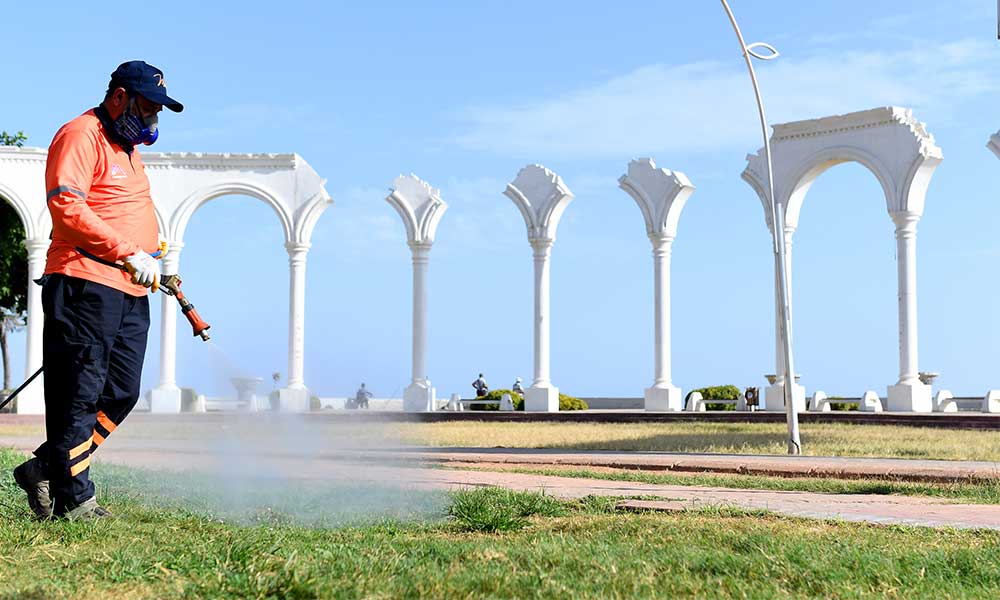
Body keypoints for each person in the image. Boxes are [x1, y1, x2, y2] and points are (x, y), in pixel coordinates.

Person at [12, 61, 183, 521]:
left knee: (123, 391)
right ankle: (76, 499)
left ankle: (46, 468)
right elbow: (67, 207)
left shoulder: (127, 146)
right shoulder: (81, 134)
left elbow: (120, 206)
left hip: (130, 286)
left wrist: (150, 248)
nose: (153, 118)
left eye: (158, 110)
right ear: (120, 96)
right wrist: (129, 249)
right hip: (85, 281)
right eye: (148, 106)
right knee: (79, 393)